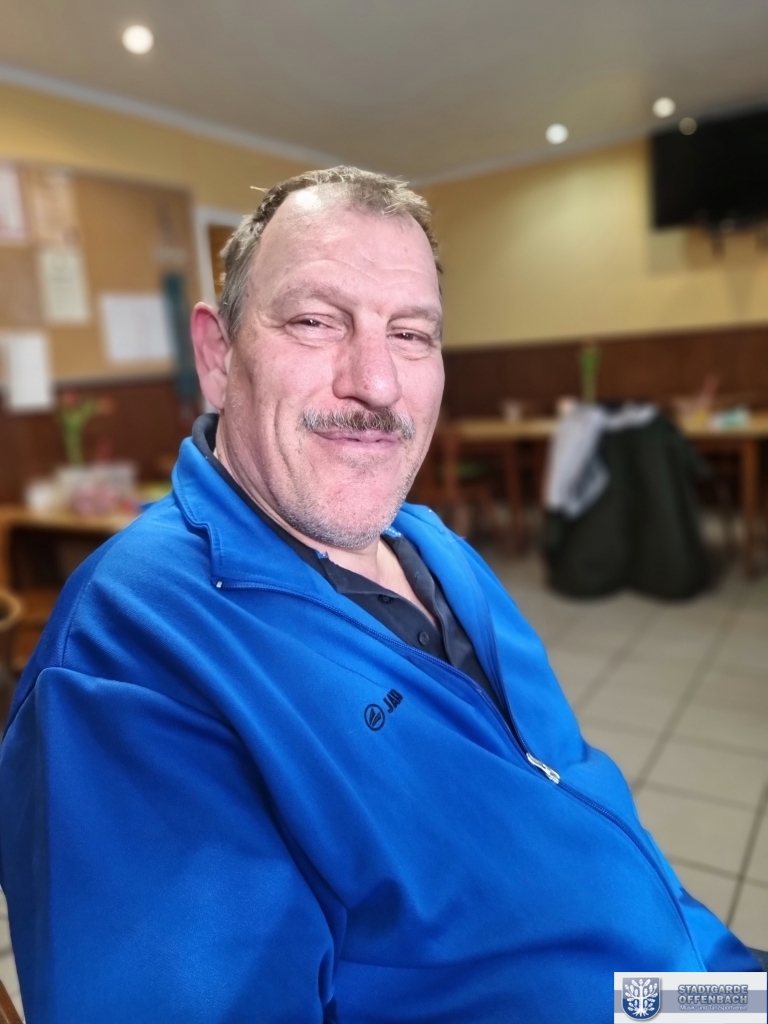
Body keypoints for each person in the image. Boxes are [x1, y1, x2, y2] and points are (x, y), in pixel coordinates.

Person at [0, 167, 760, 1024]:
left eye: (411, 334)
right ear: (218, 356)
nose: (379, 383)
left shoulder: (436, 547)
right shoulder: (132, 650)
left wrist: (719, 992)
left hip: (682, 985)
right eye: (316, 321)